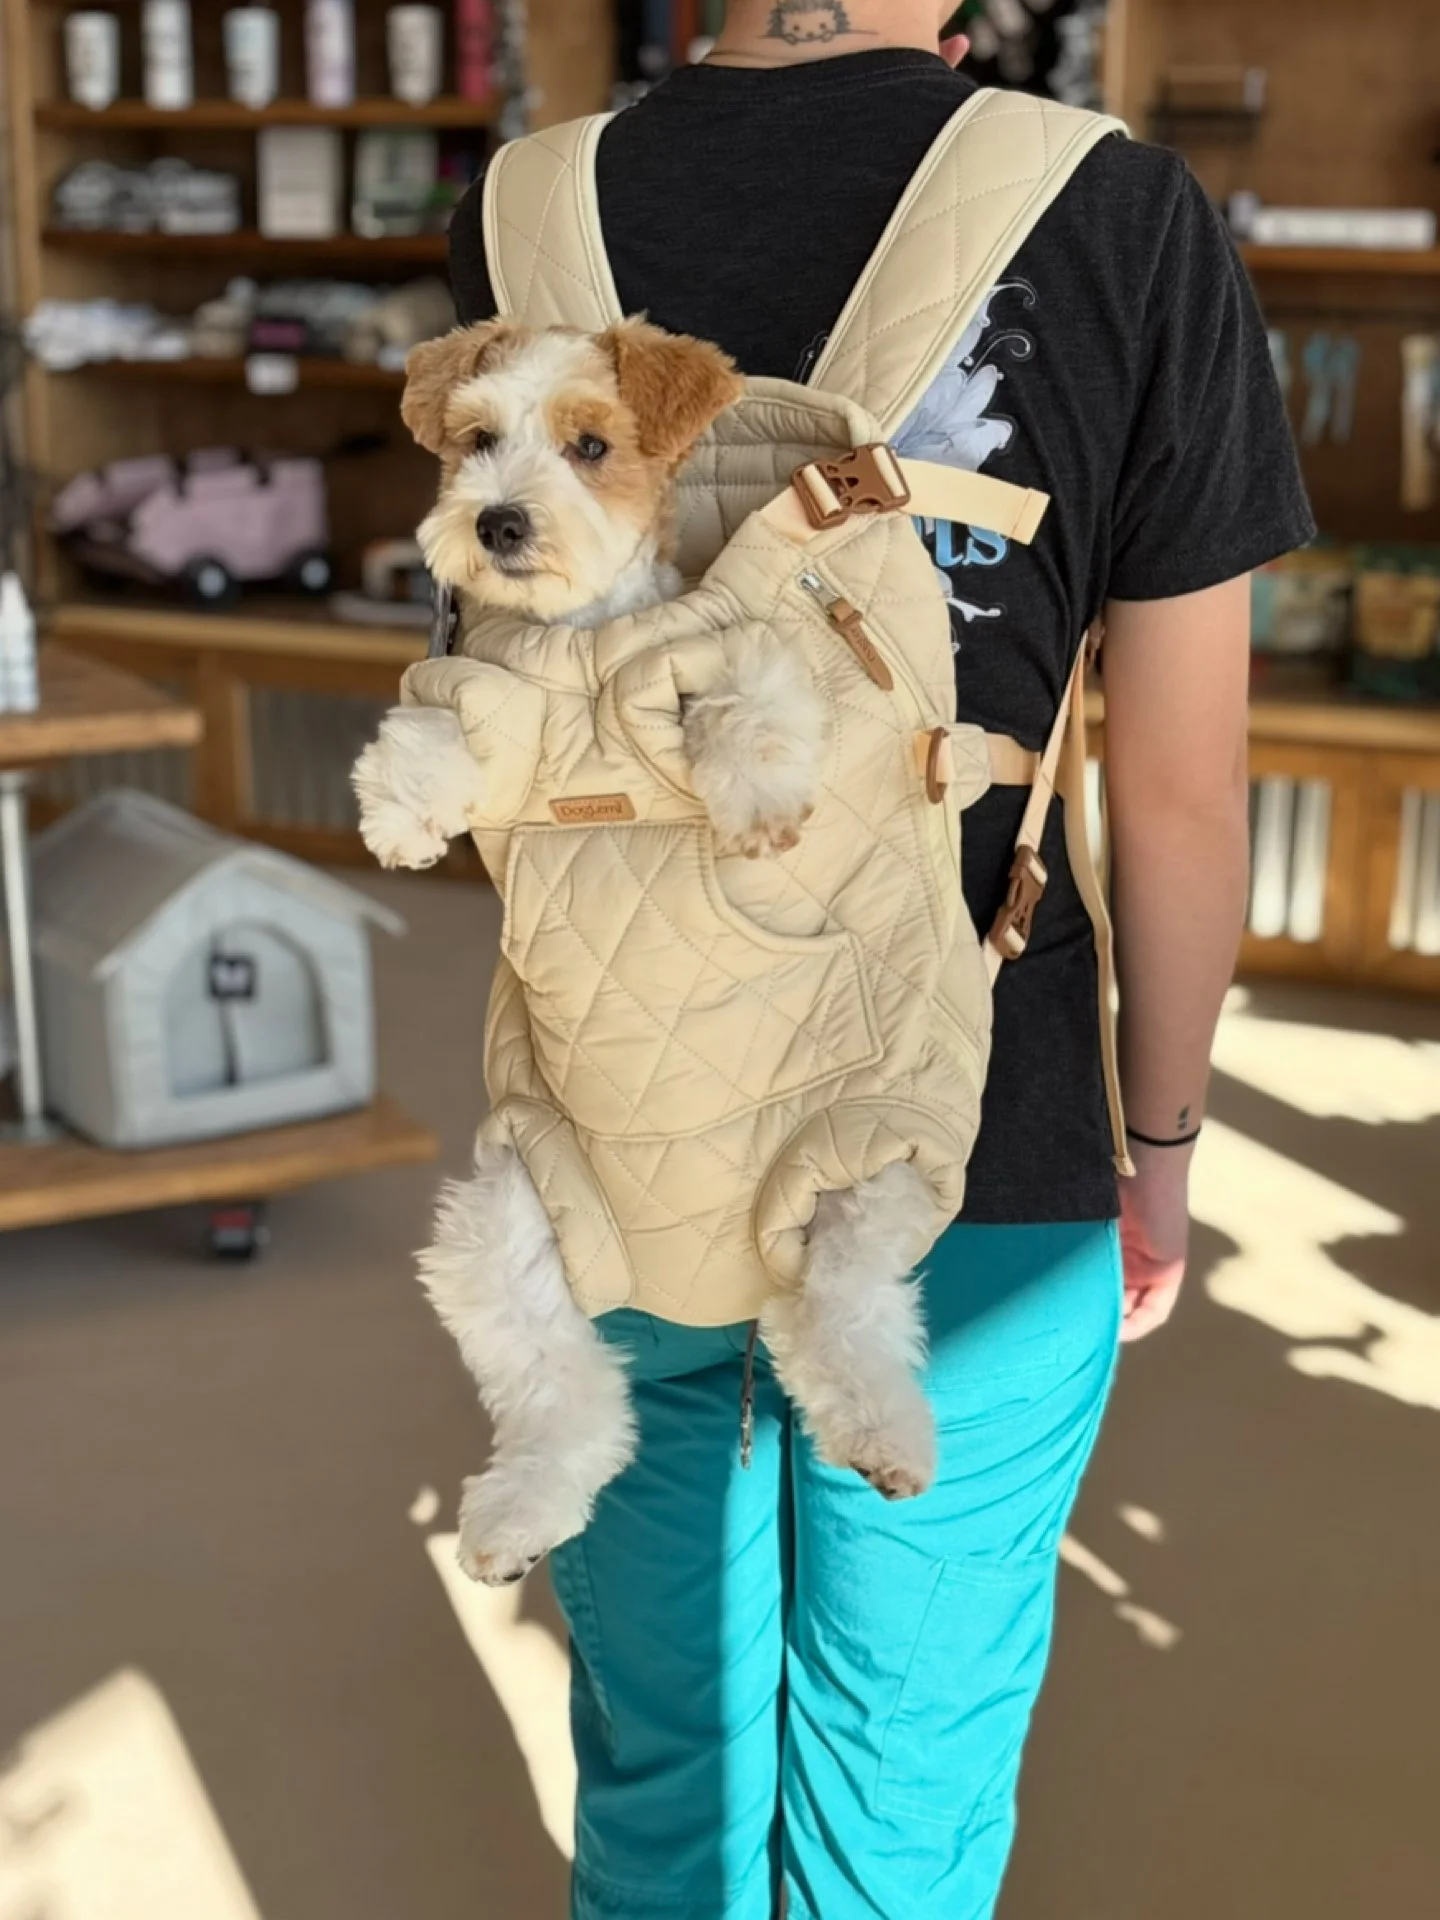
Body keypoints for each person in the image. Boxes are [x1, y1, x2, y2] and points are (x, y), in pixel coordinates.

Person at [446, 5, 1314, 1915]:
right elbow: (1177, 788)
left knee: (664, 1773)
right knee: (901, 1802)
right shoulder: (1122, 216)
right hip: (970, 1141)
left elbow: (514, 687)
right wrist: (1154, 1150)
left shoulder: (523, 220)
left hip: (614, 1128)